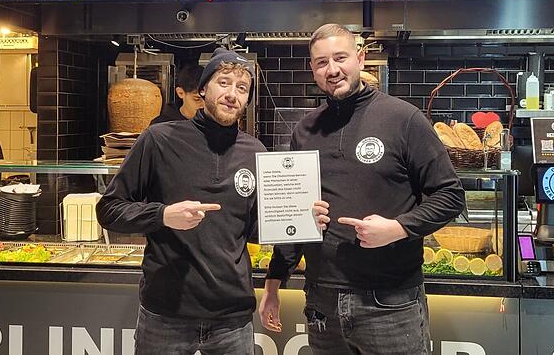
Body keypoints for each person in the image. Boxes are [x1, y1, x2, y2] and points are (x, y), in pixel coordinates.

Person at [259, 24, 466, 355]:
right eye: (322, 62)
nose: (333, 70)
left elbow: (450, 195)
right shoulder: (305, 130)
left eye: (340, 58)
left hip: (389, 302)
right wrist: (273, 283)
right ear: (313, 69)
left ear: (360, 58)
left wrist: (398, 228)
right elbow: (294, 212)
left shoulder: (404, 119)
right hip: (321, 301)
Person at [96, 48, 263, 355]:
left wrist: (299, 218)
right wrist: (163, 215)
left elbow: (253, 230)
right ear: (203, 89)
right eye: (224, 83)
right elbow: (109, 209)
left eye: (242, 88)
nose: (232, 94)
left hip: (233, 316)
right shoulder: (159, 139)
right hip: (166, 314)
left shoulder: (255, 152)